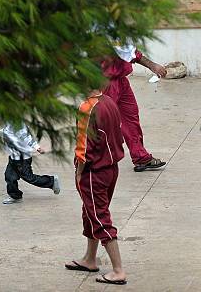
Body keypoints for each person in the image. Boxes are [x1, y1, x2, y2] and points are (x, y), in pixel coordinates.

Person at [65, 89, 127, 285]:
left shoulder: (87, 108)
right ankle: (90, 259)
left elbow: (82, 148)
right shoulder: (109, 101)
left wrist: (78, 172)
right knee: (90, 213)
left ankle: (118, 270)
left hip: (94, 172)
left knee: (99, 217)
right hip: (111, 168)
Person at [101, 43, 167, 171]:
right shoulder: (105, 28)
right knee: (104, 122)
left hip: (121, 80)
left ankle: (141, 157)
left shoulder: (120, 28)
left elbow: (129, 50)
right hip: (105, 82)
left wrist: (152, 66)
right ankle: (96, 160)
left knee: (131, 118)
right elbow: (127, 51)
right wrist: (153, 66)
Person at [0, 122, 60, 204]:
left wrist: (37, 147)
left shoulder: (18, 124)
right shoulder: (8, 122)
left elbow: (27, 137)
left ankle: (51, 181)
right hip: (14, 156)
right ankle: (15, 196)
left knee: (29, 177)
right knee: (9, 176)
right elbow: (7, 131)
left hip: (22, 158)